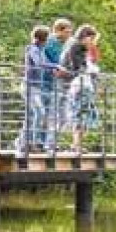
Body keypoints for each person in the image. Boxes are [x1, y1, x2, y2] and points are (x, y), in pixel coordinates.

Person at [62, 25, 101, 154]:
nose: (93, 42)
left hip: (82, 85)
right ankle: (76, 145)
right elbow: (77, 67)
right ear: (86, 37)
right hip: (80, 85)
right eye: (92, 39)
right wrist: (92, 70)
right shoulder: (76, 47)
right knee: (81, 114)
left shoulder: (79, 48)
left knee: (84, 115)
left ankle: (76, 144)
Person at [17, 25, 54, 154]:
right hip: (29, 86)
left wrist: (55, 67)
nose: (49, 40)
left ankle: (24, 143)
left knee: (32, 115)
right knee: (39, 112)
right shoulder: (32, 49)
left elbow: (45, 63)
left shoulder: (41, 49)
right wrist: (56, 66)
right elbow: (39, 63)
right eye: (48, 37)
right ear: (43, 38)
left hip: (36, 86)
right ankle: (31, 143)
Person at [43, 18, 74, 152]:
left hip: (63, 83)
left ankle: (52, 142)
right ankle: (47, 143)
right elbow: (47, 60)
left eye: (70, 32)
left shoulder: (69, 43)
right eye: (66, 32)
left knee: (63, 116)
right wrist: (57, 69)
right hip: (47, 83)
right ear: (58, 30)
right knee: (49, 114)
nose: (69, 34)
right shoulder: (49, 43)